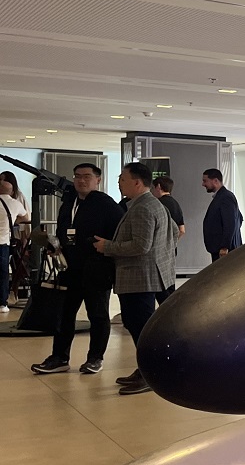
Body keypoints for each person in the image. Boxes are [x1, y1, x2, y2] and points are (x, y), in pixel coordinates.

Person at [93, 162, 177, 395]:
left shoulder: (143, 208)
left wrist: (107, 247)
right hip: (146, 276)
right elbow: (172, 234)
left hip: (139, 278)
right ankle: (146, 370)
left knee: (141, 327)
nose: (119, 183)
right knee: (137, 325)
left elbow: (141, 245)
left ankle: (151, 374)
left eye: (123, 179)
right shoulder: (152, 204)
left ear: (137, 183)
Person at [31, 163, 123, 375]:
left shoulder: (106, 205)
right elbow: (64, 231)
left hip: (97, 268)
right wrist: (56, 246)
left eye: (87, 176)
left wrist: (107, 249)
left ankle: (95, 358)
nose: (81, 180)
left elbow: (118, 234)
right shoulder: (69, 202)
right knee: (64, 314)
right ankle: (59, 357)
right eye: (77, 176)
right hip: (70, 268)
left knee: (97, 315)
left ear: (98, 180)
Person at [0, 171, 31, 314]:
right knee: (4, 272)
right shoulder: (15, 202)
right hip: (5, 241)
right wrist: (12, 221)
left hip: (11, 240)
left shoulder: (17, 198)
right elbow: (26, 218)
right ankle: (3, 302)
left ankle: (9, 297)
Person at [151, 175, 185, 303]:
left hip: (158, 253)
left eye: (152, 188)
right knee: (170, 283)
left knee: (160, 286)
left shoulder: (158, 205)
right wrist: (172, 243)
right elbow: (182, 230)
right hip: (171, 251)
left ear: (158, 187)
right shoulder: (176, 204)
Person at [201, 168, 242, 262]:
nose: (203, 184)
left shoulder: (225, 197)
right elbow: (239, 218)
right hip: (220, 249)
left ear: (215, 181)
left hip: (224, 251)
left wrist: (225, 246)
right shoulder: (222, 197)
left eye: (205, 181)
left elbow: (230, 223)